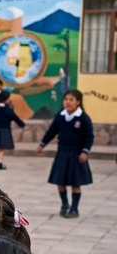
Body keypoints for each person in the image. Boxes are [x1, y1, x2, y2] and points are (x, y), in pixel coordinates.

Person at [36, 88, 93, 218]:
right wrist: (42, 145)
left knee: (75, 184)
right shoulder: (60, 116)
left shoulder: (83, 118)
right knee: (60, 182)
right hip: (62, 153)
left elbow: (89, 137)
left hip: (76, 154)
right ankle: (65, 204)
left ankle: (74, 208)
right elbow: (52, 131)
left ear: (78, 102)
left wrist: (85, 151)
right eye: (66, 99)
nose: (68, 102)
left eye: (71, 100)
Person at [0, 89, 25, 169]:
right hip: (4, 130)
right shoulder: (8, 109)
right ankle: (0, 162)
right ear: (5, 99)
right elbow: (15, 118)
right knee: (1, 147)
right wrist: (22, 125)